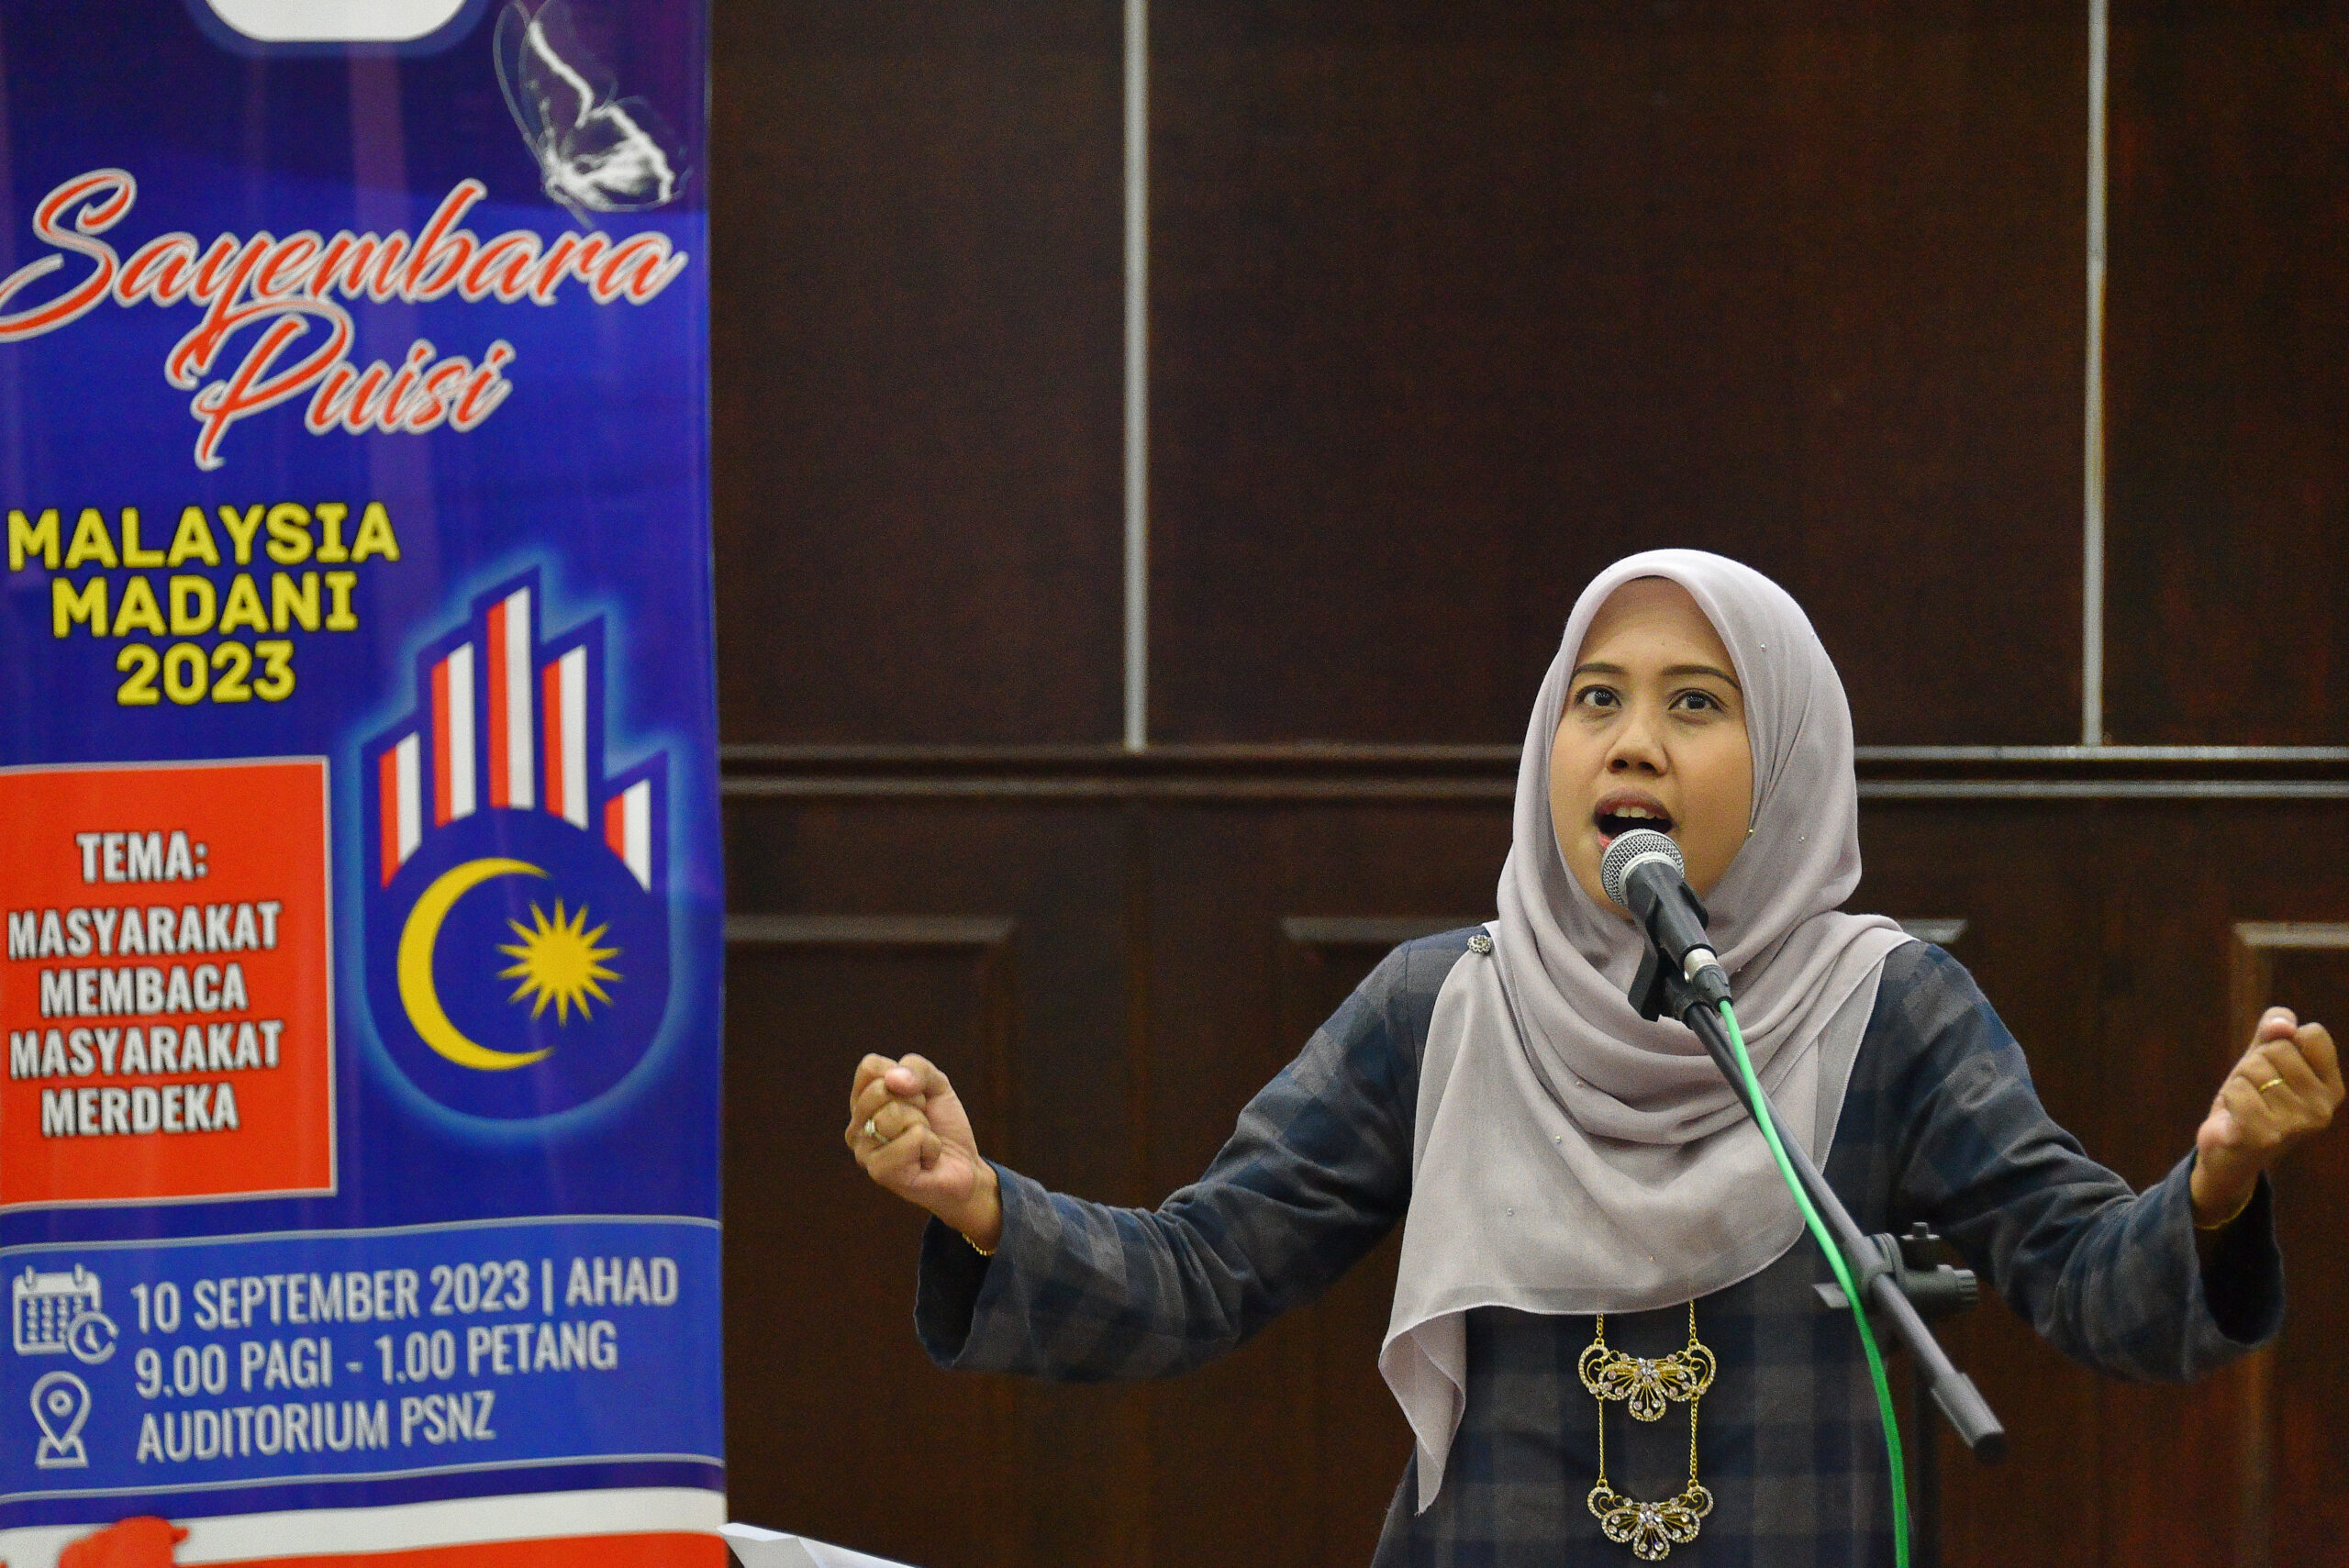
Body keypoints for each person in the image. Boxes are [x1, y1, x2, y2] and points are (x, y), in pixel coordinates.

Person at [843, 550, 2340, 1566]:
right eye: (1597, 697)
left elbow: (2090, 1281)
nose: (1631, 742)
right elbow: (1201, 1272)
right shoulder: (1443, 1010)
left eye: (1697, 702)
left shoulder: (1885, 1008)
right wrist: (987, 1208)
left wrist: (2212, 1187)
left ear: (1790, 757)